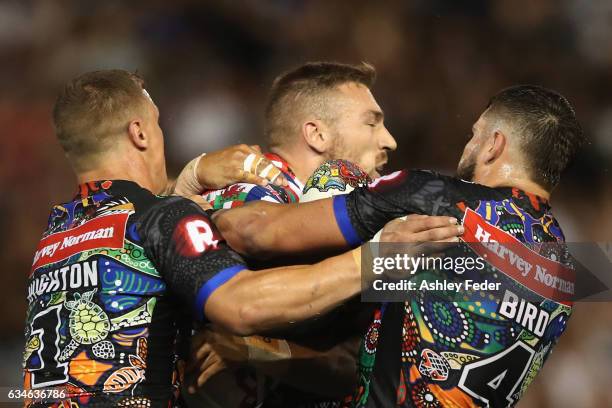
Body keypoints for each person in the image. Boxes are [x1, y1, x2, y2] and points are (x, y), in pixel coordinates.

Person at [22, 69, 460, 407]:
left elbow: (135, 235)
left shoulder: (57, 231)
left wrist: (189, 180)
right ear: (139, 133)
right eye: (156, 125)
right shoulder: (166, 216)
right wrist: (375, 259)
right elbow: (242, 304)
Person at [206, 85, 585, 407]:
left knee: (339, 175)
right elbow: (354, 362)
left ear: (493, 145)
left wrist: (199, 201)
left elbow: (256, 232)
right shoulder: (566, 275)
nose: (467, 146)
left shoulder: (434, 198)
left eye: (474, 134)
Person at [183, 61, 397, 408]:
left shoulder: (335, 222)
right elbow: (248, 233)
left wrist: (258, 350)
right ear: (316, 134)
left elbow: (348, 368)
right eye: (371, 122)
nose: (390, 140)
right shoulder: (250, 196)